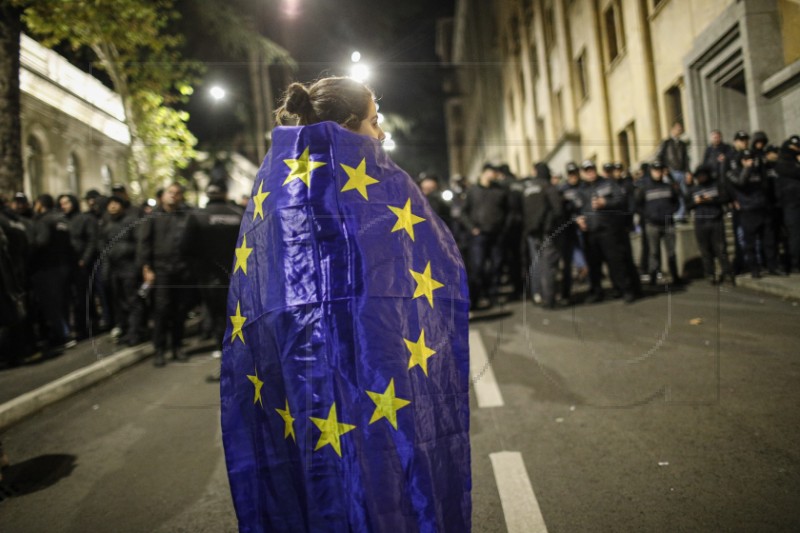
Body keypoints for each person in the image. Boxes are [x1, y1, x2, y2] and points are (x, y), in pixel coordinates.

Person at [221, 77, 471, 532]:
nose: (379, 134)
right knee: (382, 469)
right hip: (378, 366)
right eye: (374, 122)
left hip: (302, 368)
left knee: (322, 472)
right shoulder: (379, 185)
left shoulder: (278, 186)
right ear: (348, 127)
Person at [182, 181, 243, 367]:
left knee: (218, 317)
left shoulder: (197, 216)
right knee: (238, 316)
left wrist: (198, 271)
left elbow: (186, 248)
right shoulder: (239, 214)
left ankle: (225, 356)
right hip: (239, 275)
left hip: (210, 278)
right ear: (225, 194)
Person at [137, 183, 192, 366]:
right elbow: (144, 244)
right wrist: (146, 268)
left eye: (177, 193)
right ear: (163, 195)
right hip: (161, 271)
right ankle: (159, 349)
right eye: (170, 193)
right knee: (161, 310)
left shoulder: (185, 217)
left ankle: (177, 346)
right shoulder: (153, 217)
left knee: (180, 310)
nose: (173, 196)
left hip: (182, 269)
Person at [576, 160, 639, 303]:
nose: (590, 172)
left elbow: (621, 199)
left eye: (592, 169)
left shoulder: (607, 183)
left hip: (609, 230)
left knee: (616, 262)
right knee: (594, 265)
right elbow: (576, 210)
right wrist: (578, 220)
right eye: (587, 170)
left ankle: (626, 290)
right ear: (583, 173)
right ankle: (596, 292)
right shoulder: (581, 190)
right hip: (590, 233)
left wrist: (606, 203)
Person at [462, 163, 510, 308]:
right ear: (483, 173)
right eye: (490, 172)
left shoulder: (500, 191)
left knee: (496, 266)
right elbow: (463, 213)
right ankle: (476, 297)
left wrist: (503, 228)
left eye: (494, 172)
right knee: (478, 267)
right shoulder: (473, 191)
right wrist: (472, 228)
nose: (492, 175)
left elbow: (508, 212)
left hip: (496, 234)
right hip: (479, 235)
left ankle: (493, 296)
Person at [727, 148, 781, 277]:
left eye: (751, 159)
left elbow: (766, 185)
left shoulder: (759, 171)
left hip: (763, 208)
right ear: (742, 161)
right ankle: (754, 269)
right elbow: (741, 183)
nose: (750, 161)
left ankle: (772, 266)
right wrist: (747, 169)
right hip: (748, 210)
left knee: (769, 240)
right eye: (746, 159)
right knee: (750, 242)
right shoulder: (733, 173)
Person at [31, 194, 74, 356]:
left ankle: (62, 335)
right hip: (64, 265)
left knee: (51, 304)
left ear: (40, 205)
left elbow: (41, 242)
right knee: (62, 301)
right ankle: (66, 331)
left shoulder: (44, 221)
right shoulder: (62, 220)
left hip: (48, 267)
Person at [100, 195, 143, 346]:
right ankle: (125, 330)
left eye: (115, 203)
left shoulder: (131, 221)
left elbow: (139, 244)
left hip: (129, 267)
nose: (112, 206)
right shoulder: (107, 226)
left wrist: (138, 266)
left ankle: (135, 332)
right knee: (119, 301)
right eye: (110, 204)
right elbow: (104, 250)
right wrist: (105, 270)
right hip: (114, 269)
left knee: (132, 300)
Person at [521, 162, 563, 308]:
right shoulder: (548, 187)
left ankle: (536, 294)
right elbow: (557, 209)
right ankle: (549, 298)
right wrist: (549, 226)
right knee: (548, 264)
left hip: (532, 232)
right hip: (546, 232)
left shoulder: (527, 190)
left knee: (536, 263)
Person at [58, 194, 98, 340]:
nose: (64, 205)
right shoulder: (60, 220)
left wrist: (84, 259)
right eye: (61, 203)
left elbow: (91, 240)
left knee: (84, 296)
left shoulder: (84, 219)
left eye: (67, 202)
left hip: (81, 263)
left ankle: (87, 326)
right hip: (66, 264)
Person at [685, 165, 734, 285]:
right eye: (699, 176)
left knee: (721, 249)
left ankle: (727, 273)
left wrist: (711, 199)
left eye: (703, 175)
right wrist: (695, 202)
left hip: (716, 220)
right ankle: (710, 274)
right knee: (705, 250)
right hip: (701, 223)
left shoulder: (715, 186)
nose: (701, 178)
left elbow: (725, 198)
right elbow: (687, 205)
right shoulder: (694, 190)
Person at [636, 160, 683, 285]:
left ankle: (675, 276)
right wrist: (647, 215)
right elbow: (638, 205)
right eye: (655, 170)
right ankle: (653, 277)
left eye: (660, 170)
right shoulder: (645, 188)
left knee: (671, 252)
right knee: (654, 253)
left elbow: (677, 201)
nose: (658, 173)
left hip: (668, 224)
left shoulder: (668, 187)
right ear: (651, 172)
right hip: (652, 225)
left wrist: (671, 212)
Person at [775, 135, 800, 273]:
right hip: (790, 204)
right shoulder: (784, 162)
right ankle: (795, 263)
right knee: (794, 235)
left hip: (793, 203)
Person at [658, 121, 691, 223]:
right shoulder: (666, 143)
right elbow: (660, 157)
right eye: (677, 129)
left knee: (683, 193)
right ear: (672, 130)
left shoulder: (682, 144)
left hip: (681, 172)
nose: (679, 131)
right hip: (670, 172)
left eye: (680, 129)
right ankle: (672, 214)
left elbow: (686, 159)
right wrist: (663, 169)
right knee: (671, 193)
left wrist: (688, 172)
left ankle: (680, 215)